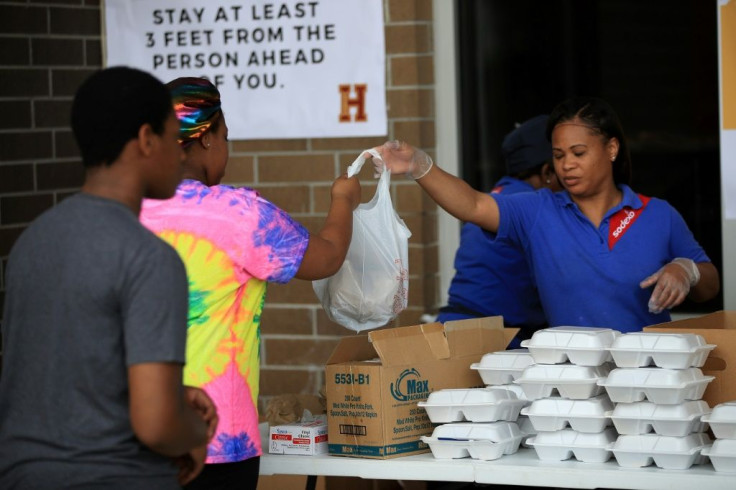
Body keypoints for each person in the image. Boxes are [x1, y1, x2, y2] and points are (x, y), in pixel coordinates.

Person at [0, 67, 218, 489]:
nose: (180, 152)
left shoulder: (32, 242)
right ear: (145, 140)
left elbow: (60, 373)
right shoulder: (149, 258)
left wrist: (170, 392)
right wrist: (191, 432)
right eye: (173, 137)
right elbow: (156, 426)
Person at [139, 77, 361, 489]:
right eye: (226, 136)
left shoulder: (127, 210)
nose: (226, 147)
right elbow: (328, 255)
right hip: (217, 440)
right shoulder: (239, 215)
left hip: (134, 433)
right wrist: (343, 199)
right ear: (206, 140)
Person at [374, 96, 719, 332]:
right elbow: (474, 205)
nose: (567, 164)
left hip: (649, 381)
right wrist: (419, 165)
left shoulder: (657, 213)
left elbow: (710, 286)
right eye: (558, 155)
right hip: (572, 385)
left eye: (578, 152)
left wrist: (685, 270)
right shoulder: (538, 210)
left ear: (611, 148)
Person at [437, 115, 561, 348]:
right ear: (547, 172)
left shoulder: (495, 199)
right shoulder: (533, 211)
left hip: (450, 331)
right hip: (494, 344)